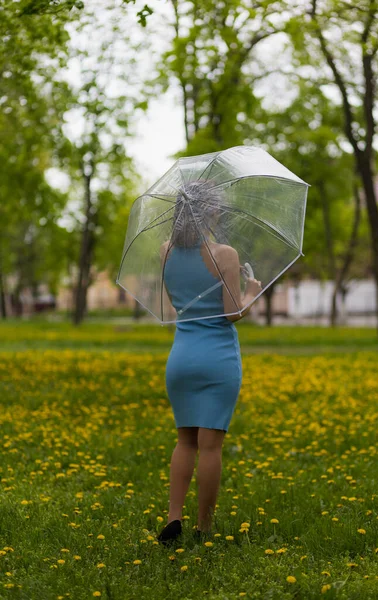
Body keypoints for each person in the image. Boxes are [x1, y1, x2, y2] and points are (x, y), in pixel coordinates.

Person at [156, 181, 262, 545]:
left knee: (184, 441)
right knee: (210, 446)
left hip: (181, 357)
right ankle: (203, 527)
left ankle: (173, 516)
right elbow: (233, 314)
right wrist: (252, 292)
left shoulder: (165, 251)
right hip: (216, 357)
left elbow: (176, 303)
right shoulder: (226, 254)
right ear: (210, 211)